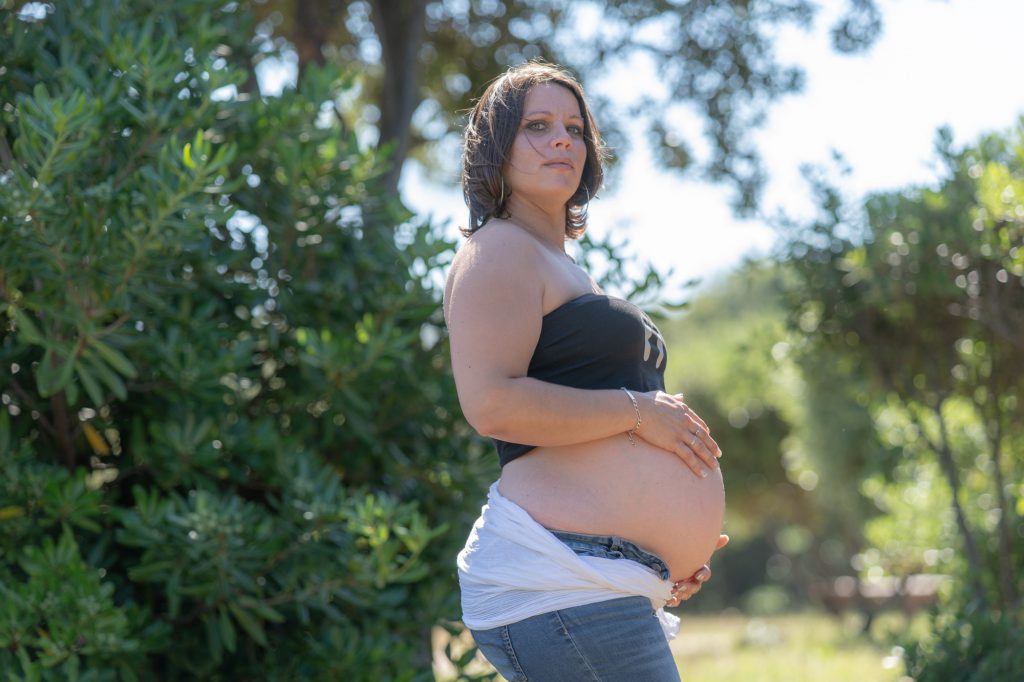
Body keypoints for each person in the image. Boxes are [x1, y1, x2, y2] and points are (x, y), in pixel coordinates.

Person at [443, 61, 728, 682]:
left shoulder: (561, 267)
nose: (563, 140)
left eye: (574, 128)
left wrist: (665, 550)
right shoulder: (497, 251)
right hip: (559, 578)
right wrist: (639, 412)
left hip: (597, 579)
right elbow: (491, 403)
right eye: (537, 126)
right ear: (495, 150)